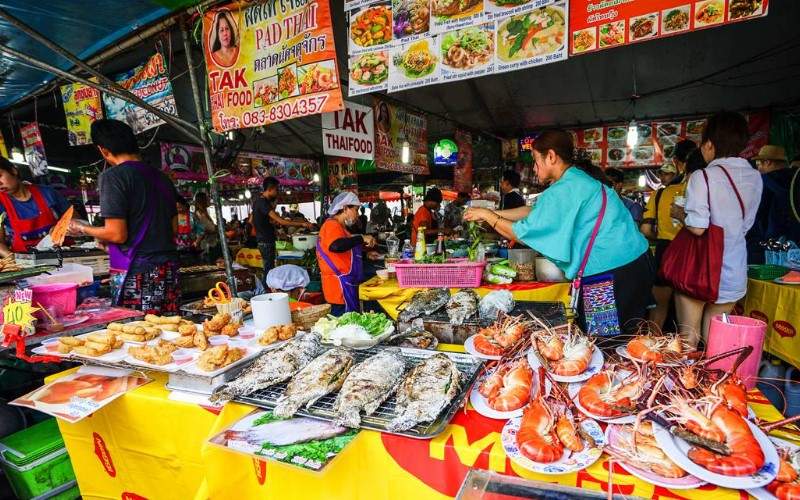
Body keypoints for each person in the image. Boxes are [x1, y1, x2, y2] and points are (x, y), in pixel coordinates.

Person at [464, 129, 654, 336]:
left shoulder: (564, 189)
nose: (534, 169)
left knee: (603, 340)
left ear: (551, 157)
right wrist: (490, 213)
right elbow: (534, 212)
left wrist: (488, 216)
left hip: (611, 272)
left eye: (536, 161)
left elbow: (523, 233)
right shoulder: (577, 181)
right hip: (638, 263)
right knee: (626, 337)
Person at [68, 119, 180, 314]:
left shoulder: (114, 176)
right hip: (169, 270)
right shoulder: (162, 178)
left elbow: (116, 234)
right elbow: (174, 229)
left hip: (139, 274)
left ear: (103, 150)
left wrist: (80, 226)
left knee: (140, 337)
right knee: (171, 332)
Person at [670, 112, 762, 346]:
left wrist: (680, 214)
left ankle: (687, 381)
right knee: (715, 343)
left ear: (709, 144)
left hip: (699, 271)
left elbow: (698, 227)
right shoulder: (755, 177)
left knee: (688, 341)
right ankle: (714, 381)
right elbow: (747, 224)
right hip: (733, 270)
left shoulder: (703, 176)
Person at [641, 150, 707, 330]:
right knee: (692, 318)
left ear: (683, 167)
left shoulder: (661, 194)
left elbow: (645, 230)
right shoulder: (709, 192)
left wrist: (662, 235)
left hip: (665, 252)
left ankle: (651, 349)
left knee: (658, 310)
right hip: (696, 253)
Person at [317, 192, 379, 316]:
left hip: (346, 285)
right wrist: (361, 238)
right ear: (345, 208)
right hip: (338, 287)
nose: (357, 215)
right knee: (343, 328)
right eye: (356, 210)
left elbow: (345, 251)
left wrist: (365, 255)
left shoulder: (341, 229)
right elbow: (335, 246)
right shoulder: (331, 225)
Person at [0, 157, 72, 257]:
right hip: (25, 264)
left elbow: (75, 219)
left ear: (13, 171)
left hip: (62, 258)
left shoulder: (48, 193)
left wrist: (63, 227)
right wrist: (13, 258)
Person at [251, 177, 314, 286]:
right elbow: (282, 221)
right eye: (276, 190)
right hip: (266, 241)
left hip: (262, 240)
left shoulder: (258, 201)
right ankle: (263, 293)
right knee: (268, 271)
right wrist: (302, 223)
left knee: (268, 269)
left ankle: (264, 292)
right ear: (269, 189)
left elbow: (251, 220)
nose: (278, 192)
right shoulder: (263, 203)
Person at [746, 145, 800, 263]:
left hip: (768, 247)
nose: (758, 168)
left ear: (767, 162)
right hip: (795, 247)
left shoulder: (764, 182)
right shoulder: (796, 180)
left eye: (758, 164)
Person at [193, 192, 222, 264]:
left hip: (211, 243)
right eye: (207, 198)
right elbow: (203, 230)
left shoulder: (204, 213)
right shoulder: (199, 214)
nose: (209, 200)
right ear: (203, 201)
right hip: (206, 245)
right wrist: (216, 231)